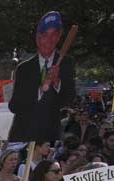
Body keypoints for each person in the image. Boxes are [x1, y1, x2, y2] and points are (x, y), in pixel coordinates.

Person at [7, 11, 76, 143]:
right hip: (23, 136)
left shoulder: (66, 64)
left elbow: (70, 101)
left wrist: (57, 83)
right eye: (44, 35)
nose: (49, 40)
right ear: (38, 38)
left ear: (59, 37)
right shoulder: (24, 69)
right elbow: (14, 106)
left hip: (50, 138)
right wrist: (40, 90)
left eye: (54, 35)